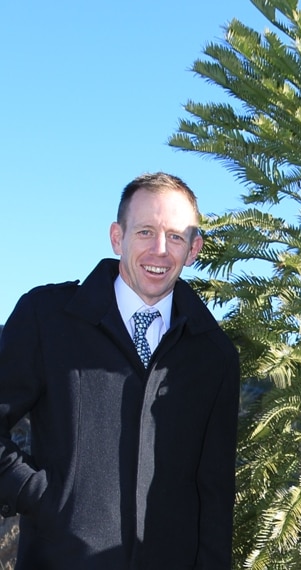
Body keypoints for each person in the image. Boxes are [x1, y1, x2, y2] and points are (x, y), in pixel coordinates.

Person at [0, 173, 240, 569]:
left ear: (194, 248)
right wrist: (40, 497)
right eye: (146, 231)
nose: (160, 250)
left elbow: (214, 495)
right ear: (117, 237)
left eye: (176, 237)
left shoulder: (214, 355)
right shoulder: (47, 318)